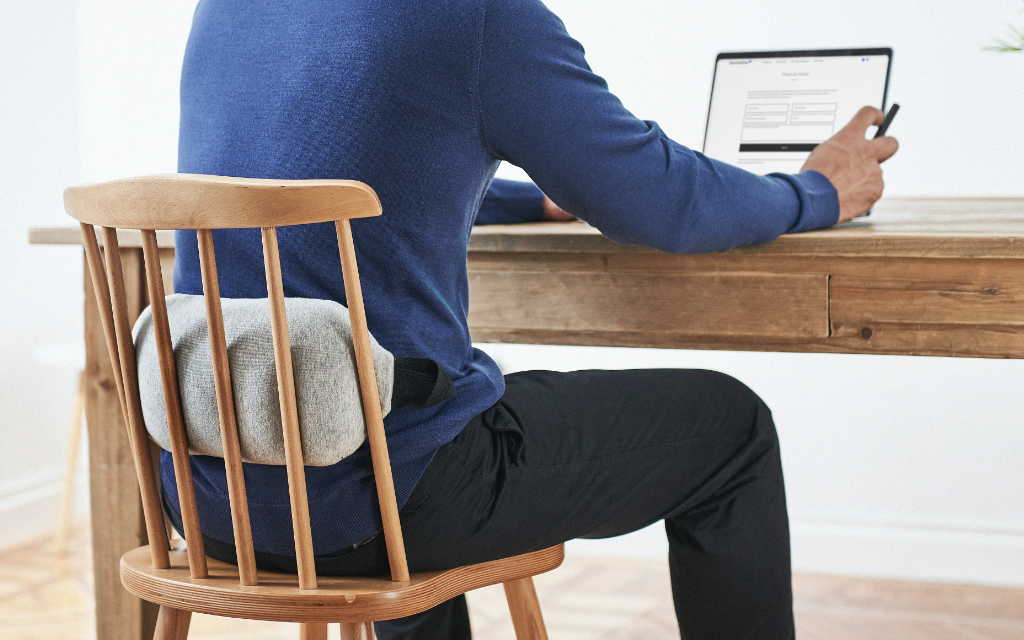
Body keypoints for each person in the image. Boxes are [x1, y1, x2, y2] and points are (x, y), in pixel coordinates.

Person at [165, 1, 898, 639]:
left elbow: (334, 177)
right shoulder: (475, 13)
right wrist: (819, 192)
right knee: (732, 428)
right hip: (379, 507)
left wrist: (532, 196)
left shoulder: (225, 8)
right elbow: (665, 201)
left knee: (410, 411)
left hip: (203, 499)